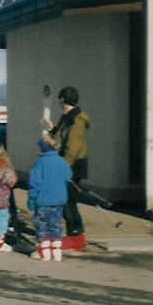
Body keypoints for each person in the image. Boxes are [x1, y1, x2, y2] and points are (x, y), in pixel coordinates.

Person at [47, 85, 90, 249]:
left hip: (72, 165)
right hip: (66, 164)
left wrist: (62, 168)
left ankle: (76, 236)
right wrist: (52, 129)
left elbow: (73, 147)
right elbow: (61, 138)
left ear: (63, 99)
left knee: (66, 201)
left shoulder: (77, 119)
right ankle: (76, 235)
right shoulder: (67, 118)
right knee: (67, 200)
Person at [27, 134, 72, 261]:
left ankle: (44, 252)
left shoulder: (39, 163)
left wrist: (31, 199)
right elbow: (68, 176)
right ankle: (57, 252)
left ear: (43, 148)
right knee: (56, 225)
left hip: (42, 200)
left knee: (42, 225)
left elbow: (34, 183)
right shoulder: (62, 162)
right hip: (58, 200)